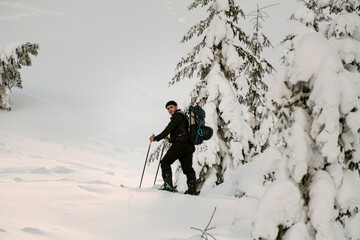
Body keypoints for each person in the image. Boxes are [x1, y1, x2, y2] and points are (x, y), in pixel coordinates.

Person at [150, 100, 197, 195]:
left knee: (165, 162)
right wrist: (169, 139)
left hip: (180, 145)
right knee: (187, 168)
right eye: (168, 109)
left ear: (176, 106)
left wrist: (156, 138)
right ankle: (192, 190)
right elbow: (180, 133)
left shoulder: (177, 115)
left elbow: (168, 129)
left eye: (171, 107)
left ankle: (168, 185)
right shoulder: (184, 117)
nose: (169, 110)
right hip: (189, 146)